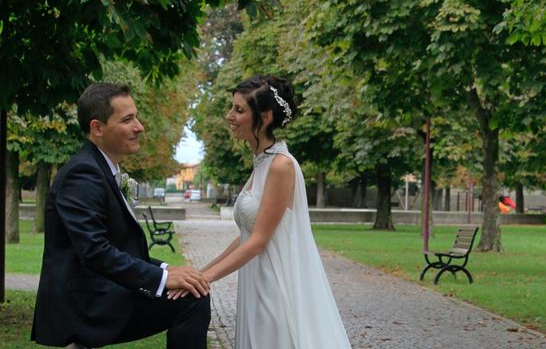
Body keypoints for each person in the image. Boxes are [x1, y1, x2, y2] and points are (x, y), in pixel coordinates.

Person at [169, 75, 351, 348]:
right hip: (256, 282)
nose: (230, 116)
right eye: (232, 108)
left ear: (264, 117)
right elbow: (246, 234)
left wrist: (206, 279)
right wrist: (198, 274)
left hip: (274, 285)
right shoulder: (262, 163)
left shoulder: (281, 166)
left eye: (239, 110)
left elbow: (258, 242)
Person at [31, 83, 211, 348]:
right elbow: (94, 250)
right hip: (84, 305)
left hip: (101, 291)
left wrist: (166, 269)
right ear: (98, 128)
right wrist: (162, 280)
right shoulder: (83, 173)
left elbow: (119, 245)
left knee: (191, 291)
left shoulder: (101, 168)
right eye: (128, 120)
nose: (139, 127)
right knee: (192, 300)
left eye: (136, 117)